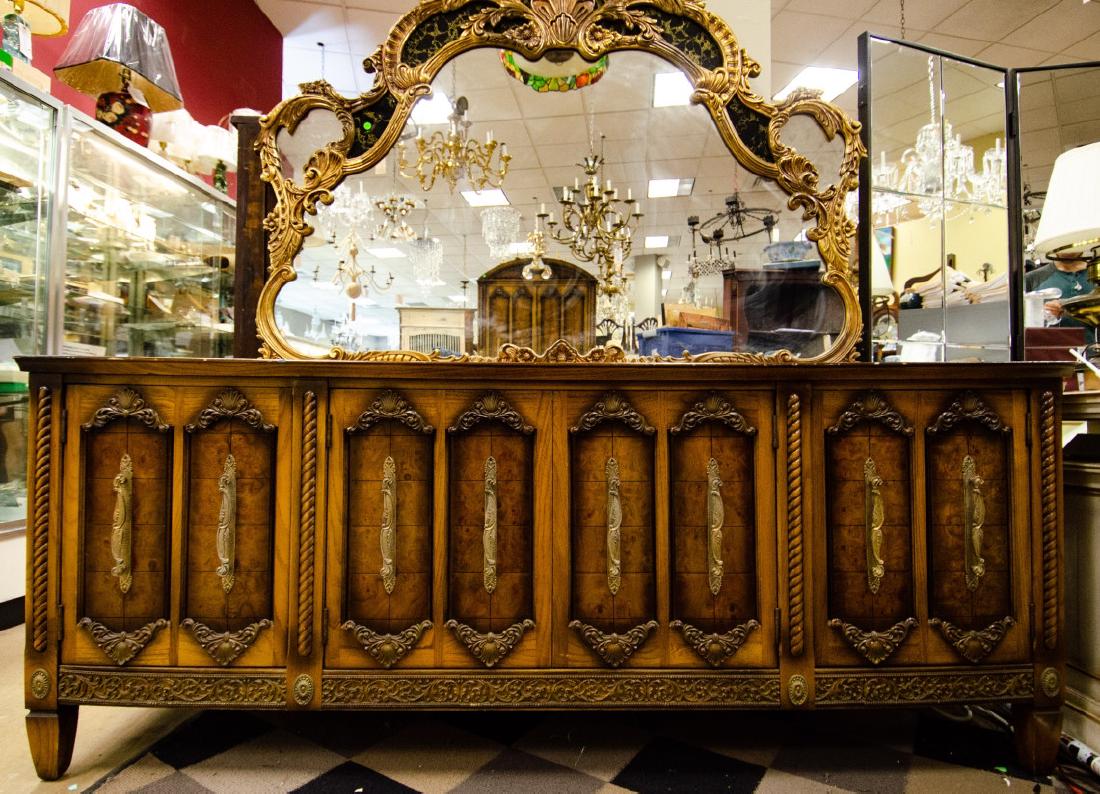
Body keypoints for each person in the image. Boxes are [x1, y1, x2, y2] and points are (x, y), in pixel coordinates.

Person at [1038, 254, 1098, 344]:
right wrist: (1044, 313)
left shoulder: (1096, 273)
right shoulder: (1032, 279)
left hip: (1093, 354)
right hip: (1049, 354)